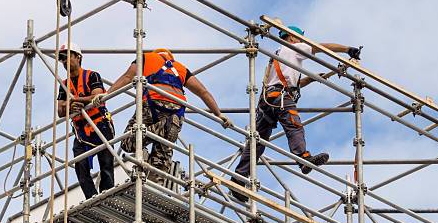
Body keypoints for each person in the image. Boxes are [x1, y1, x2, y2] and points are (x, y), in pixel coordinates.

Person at [230, 25, 362, 202]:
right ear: (291, 38)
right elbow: (319, 47)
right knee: (294, 126)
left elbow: (291, 83)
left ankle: (238, 178)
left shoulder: (278, 55)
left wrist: (312, 78)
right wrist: (347, 49)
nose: (301, 42)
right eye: (299, 39)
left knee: (257, 142)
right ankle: (303, 158)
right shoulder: (294, 48)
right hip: (281, 98)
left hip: (268, 100)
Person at [99, 48, 229, 184]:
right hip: (177, 111)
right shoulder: (181, 68)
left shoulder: (146, 58)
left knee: (128, 143)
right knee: (162, 152)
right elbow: (203, 92)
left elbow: (127, 76)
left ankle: (165, 127)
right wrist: (219, 114)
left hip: (152, 103)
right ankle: (156, 181)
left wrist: (107, 94)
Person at [57, 42, 115, 199]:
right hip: (81, 130)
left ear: (78, 57)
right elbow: (60, 111)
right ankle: (92, 198)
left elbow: (98, 97)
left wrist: (77, 100)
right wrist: (71, 106)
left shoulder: (92, 75)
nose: (64, 61)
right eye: (61, 59)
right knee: (81, 167)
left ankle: (107, 197)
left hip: (100, 125)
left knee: (106, 165)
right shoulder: (64, 85)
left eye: (67, 57)